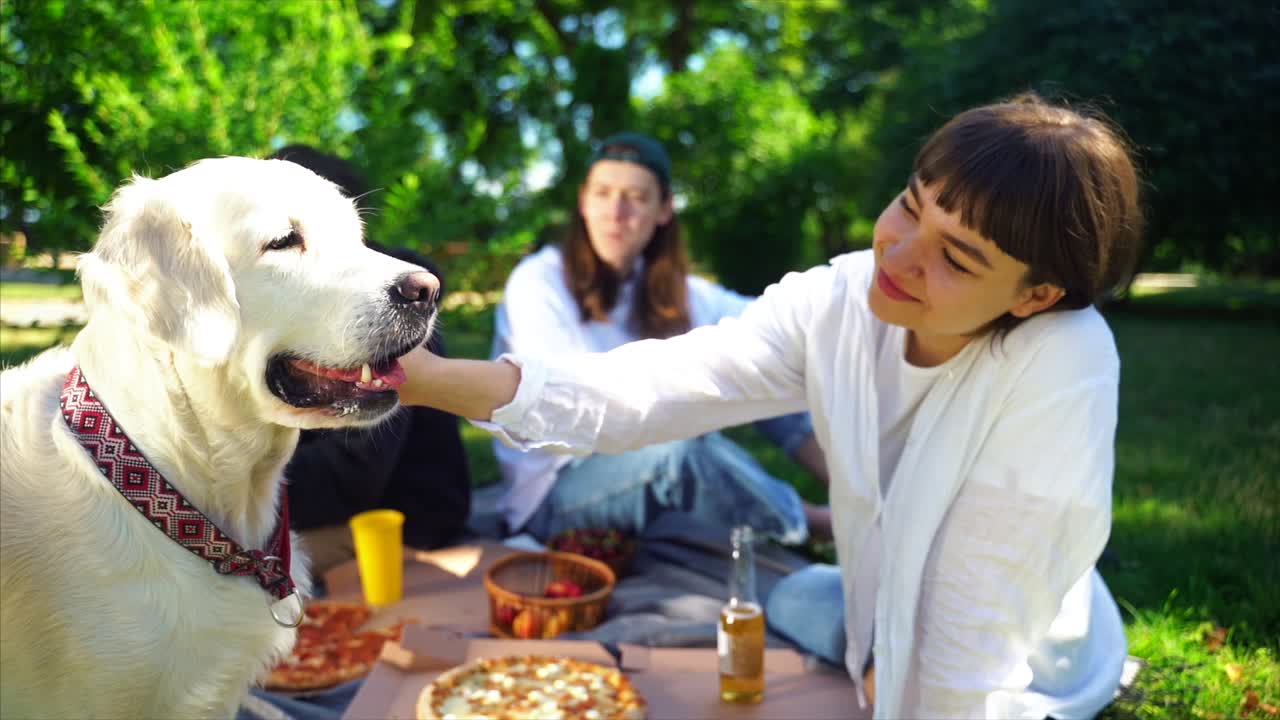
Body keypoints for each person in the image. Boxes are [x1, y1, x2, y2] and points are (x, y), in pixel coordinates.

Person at [393, 93, 1143, 718]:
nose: (901, 253)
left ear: (1035, 295)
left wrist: (898, 684)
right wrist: (426, 379)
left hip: (1019, 661)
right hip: (880, 604)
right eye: (910, 207)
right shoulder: (840, 298)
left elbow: (974, 632)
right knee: (796, 601)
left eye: (955, 257)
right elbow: (648, 390)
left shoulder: (1062, 358)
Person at [488, 131, 831, 544]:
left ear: (664, 209)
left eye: (635, 197)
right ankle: (821, 524)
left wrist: (846, 315)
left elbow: (774, 323)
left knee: (763, 363)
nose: (616, 212)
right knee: (682, 455)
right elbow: (578, 415)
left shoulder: (671, 289)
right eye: (602, 193)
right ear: (583, 201)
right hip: (555, 493)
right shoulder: (539, 282)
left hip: (643, 462)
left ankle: (858, 488)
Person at [267, 144, 472, 581]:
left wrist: (229, 487)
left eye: (282, 240)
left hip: (402, 523)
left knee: (230, 564)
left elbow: (351, 480)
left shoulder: (383, 312)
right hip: (342, 507)